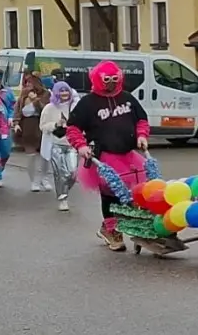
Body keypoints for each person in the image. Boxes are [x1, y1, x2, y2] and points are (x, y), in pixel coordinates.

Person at [66, 60, 152, 251]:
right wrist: (80, 145)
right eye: (107, 80)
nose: (111, 83)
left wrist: (142, 136)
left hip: (128, 155)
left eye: (115, 79)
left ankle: (130, 226)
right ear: (98, 79)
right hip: (103, 155)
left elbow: (141, 120)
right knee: (111, 194)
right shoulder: (87, 103)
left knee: (135, 195)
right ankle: (112, 229)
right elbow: (72, 128)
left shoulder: (128, 98)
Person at [38, 81, 77, 211]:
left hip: (72, 145)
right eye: (61, 91)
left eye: (66, 90)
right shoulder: (49, 108)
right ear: (56, 92)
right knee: (60, 173)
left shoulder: (75, 106)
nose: (64, 93)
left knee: (72, 173)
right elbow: (43, 126)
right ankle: (62, 198)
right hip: (56, 144)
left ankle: (64, 190)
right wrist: (55, 124)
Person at [17, 73, 48, 189]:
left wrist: (35, 101)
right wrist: (16, 123)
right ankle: (33, 181)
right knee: (31, 155)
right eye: (27, 83)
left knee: (45, 155)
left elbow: (45, 110)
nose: (28, 85)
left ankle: (44, 178)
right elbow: (18, 110)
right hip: (27, 126)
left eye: (30, 82)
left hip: (41, 125)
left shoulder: (46, 94)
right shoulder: (23, 95)